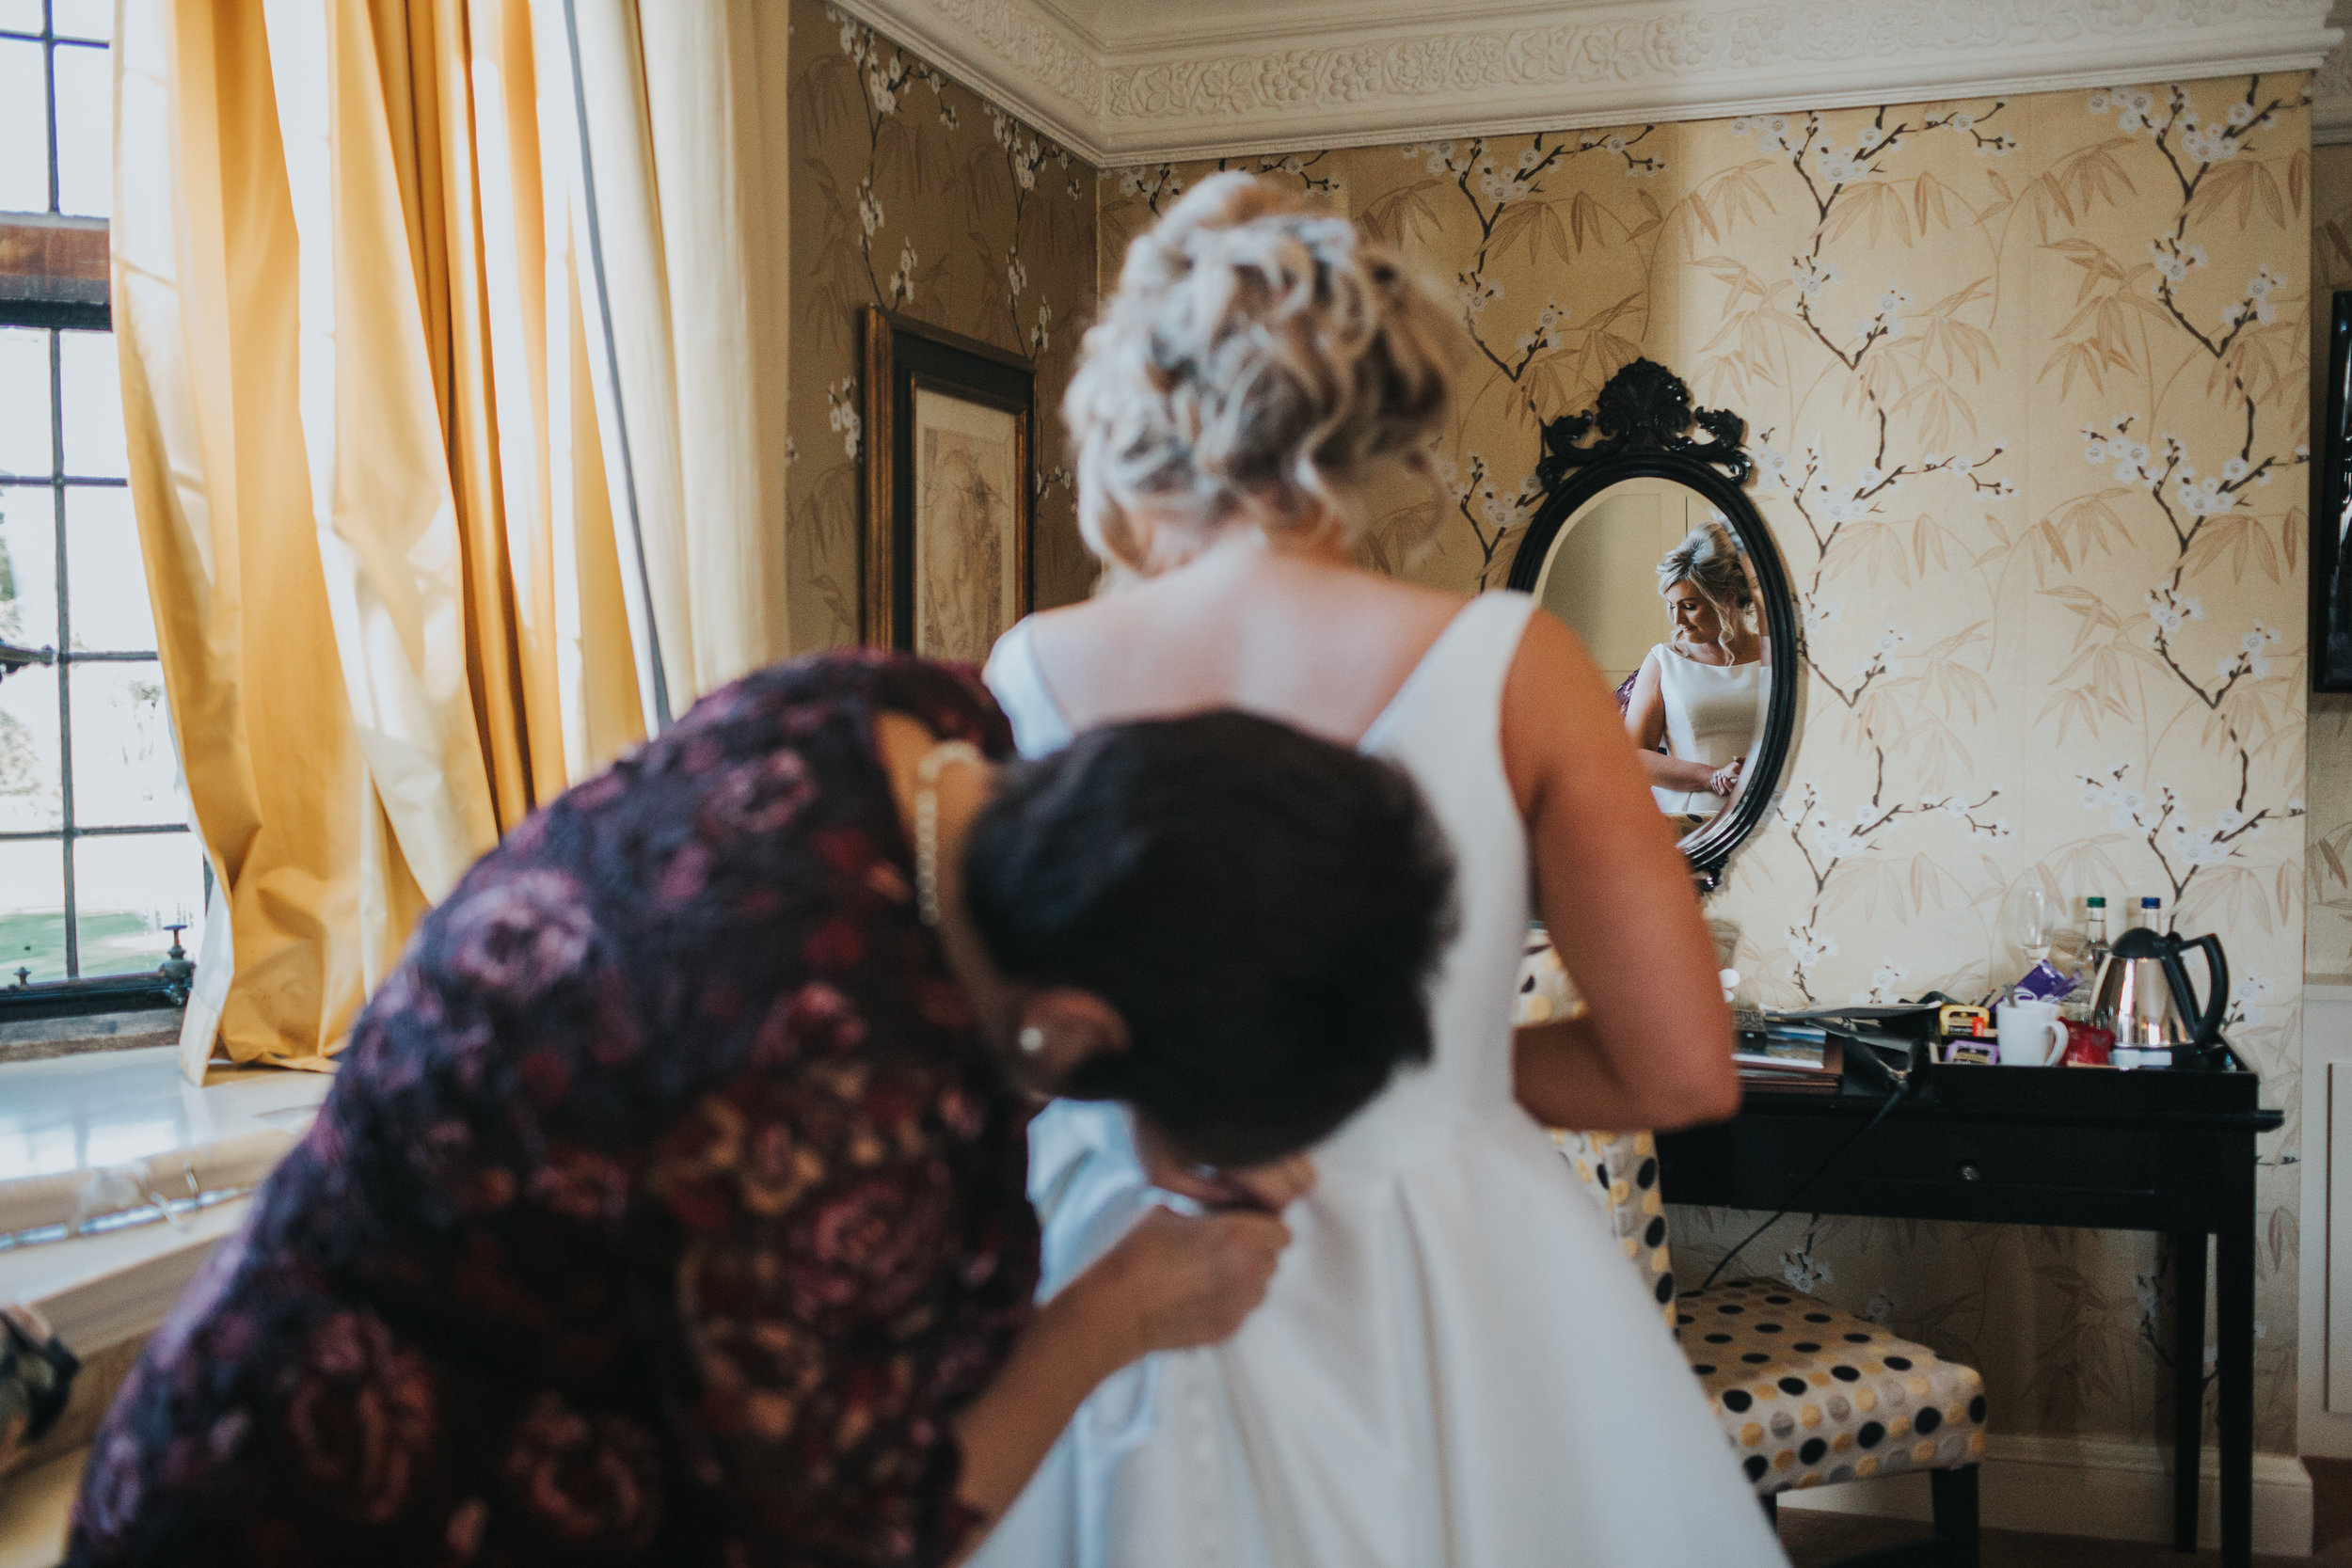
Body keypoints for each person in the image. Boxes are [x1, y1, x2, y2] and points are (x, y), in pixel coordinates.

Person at [63, 652, 1454, 1568]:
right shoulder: (804, 1090)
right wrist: (1123, 1310)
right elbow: (858, 1539)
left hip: (257, 1355)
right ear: (1085, 1026)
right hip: (346, 1504)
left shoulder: (906, 723)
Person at [969, 174, 1783, 1567]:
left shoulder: (1030, 671)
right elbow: (1683, 1070)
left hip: (1106, 1247)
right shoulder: (1511, 662)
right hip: (1436, 1255)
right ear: (1375, 412)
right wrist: (1444, 1064)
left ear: (1144, 402)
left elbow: (1010, 1037)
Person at [1625, 520, 1769, 830]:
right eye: (1671, 606)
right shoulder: (1663, 661)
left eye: (1689, 606)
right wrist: (1712, 777)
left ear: (1728, 596)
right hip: (1692, 819)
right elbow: (1631, 756)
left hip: (1770, 811)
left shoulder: (1776, 656)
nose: (1678, 620)